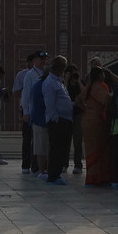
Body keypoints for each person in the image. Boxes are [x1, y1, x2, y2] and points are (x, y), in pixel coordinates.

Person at [77, 65, 114, 186]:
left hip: (87, 120)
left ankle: (92, 177)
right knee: (101, 149)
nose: (104, 76)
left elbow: (78, 100)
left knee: (91, 150)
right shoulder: (100, 86)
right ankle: (100, 177)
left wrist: (86, 108)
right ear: (99, 75)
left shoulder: (88, 87)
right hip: (97, 121)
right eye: (102, 74)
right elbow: (107, 100)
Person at [43, 56, 75, 185]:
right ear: (59, 68)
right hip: (57, 121)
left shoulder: (58, 81)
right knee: (56, 149)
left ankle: (57, 174)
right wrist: (55, 120)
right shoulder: (50, 82)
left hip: (65, 119)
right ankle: (52, 176)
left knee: (62, 148)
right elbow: (50, 104)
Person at [20, 51, 49, 174]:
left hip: (45, 112)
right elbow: (26, 95)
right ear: (35, 60)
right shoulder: (30, 75)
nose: (43, 61)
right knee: (34, 141)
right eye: (41, 59)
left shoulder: (47, 74)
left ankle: (43, 167)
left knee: (43, 141)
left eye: (45, 59)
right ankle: (34, 166)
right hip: (34, 112)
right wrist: (25, 112)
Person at [12, 53, 35, 171]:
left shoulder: (41, 74)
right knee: (27, 138)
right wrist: (27, 89)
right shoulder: (22, 75)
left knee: (37, 138)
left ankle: (36, 165)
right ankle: (26, 164)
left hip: (37, 109)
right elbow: (15, 93)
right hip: (25, 109)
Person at [65, 64, 84, 174]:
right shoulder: (63, 84)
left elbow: (85, 93)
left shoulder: (78, 83)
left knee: (78, 141)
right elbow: (63, 93)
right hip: (67, 114)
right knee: (66, 141)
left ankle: (78, 165)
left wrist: (79, 81)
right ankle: (64, 164)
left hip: (78, 114)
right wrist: (66, 81)